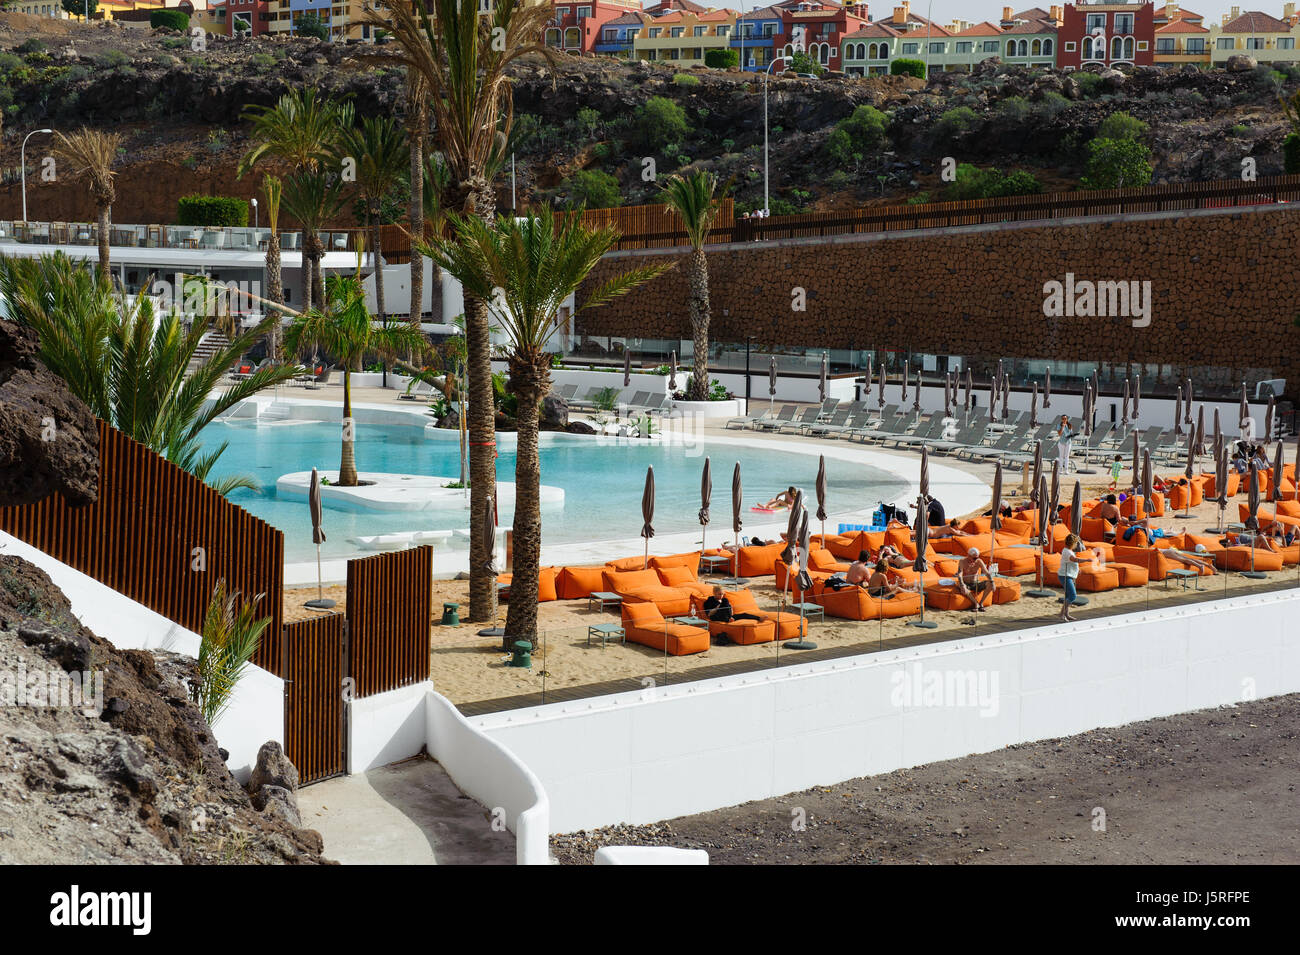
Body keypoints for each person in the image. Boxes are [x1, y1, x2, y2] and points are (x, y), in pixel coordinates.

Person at [1058, 533, 1092, 622]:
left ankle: (1066, 614)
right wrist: (1087, 560)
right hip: (1065, 576)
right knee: (1072, 595)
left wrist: (1077, 570)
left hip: (1069, 575)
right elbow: (1075, 559)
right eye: (1076, 543)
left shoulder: (1068, 550)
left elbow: (1072, 562)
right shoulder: (1067, 552)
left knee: (1068, 595)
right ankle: (1061, 614)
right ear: (1072, 543)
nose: (1076, 545)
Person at [956, 547, 994, 612]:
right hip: (966, 583)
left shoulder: (979, 561)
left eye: (977, 557)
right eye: (974, 558)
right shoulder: (962, 561)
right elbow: (959, 574)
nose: (976, 559)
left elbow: (986, 572)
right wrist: (962, 585)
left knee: (990, 584)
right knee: (961, 586)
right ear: (968, 556)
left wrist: (992, 582)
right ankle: (976, 603)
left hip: (975, 583)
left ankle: (981, 603)